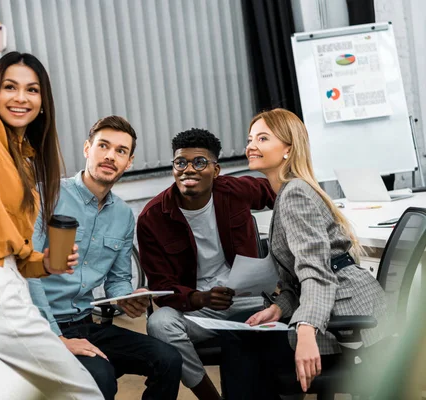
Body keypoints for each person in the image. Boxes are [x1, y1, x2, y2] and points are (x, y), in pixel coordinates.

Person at [0, 16, 103, 399]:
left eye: (32, 90)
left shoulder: (26, 160)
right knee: (85, 392)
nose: (21, 98)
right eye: (10, 87)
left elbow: (17, 252)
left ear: (43, 102)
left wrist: (44, 264)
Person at [220, 108, 387, 398]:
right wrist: (279, 307)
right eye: (250, 139)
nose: (251, 146)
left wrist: (306, 329)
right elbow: (300, 277)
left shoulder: (295, 193)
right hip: (334, 303)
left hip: (343, 314)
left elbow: (316, 271)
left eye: (262, 138)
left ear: (288, 149)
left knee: (241, 346)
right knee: (240, 335)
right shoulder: (289, 191)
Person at [29, 116, 182, 400]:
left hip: (86, 323)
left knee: (168, 359)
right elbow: (27, 274)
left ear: (129, 162)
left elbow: (118, 280)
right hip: (40, 325)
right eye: (103, 146)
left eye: (121, 151)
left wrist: (128, 298)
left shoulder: (123, 215)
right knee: (101, 377)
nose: (111, 156)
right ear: (88, 148)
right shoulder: (46, 194)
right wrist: (56, 338)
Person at [137, 128, 276, 400]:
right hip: (198, 309)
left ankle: (286, 390)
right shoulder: (152, 218)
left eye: (199, 162)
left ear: (216, 170)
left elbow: (282, 191)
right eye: (181, 162)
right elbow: (161, 288)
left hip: (248, 299)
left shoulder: (236, 191)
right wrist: (200, 298)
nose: (189, 169)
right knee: (159, 324)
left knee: (292, 306)